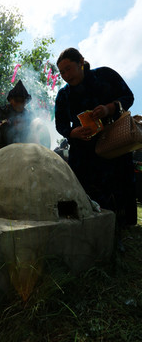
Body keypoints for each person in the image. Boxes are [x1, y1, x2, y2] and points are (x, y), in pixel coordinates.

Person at [55, 47, 137, 230]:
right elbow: (60, 124)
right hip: (84, 153)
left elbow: (128, 96)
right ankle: (90, 226)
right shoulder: (63, 95)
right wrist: (72, 133)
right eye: (62, 72)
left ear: (81, 62)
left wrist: (109, 108)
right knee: (86, 192)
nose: (66, 75)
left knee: (119, 186)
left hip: (114, 144)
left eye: (68, 68)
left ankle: (121, 227)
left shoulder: (105, 76)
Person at [0, 80, 34, 150]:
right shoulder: (4, 110)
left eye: (22, 101)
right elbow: (1, 126)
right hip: (4, 147)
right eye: (17, 100)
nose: (19, 104)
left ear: (25, 102)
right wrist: (12, 123)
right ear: (11, 100)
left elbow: (32, 129)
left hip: (23, 146)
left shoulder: (28, 114)